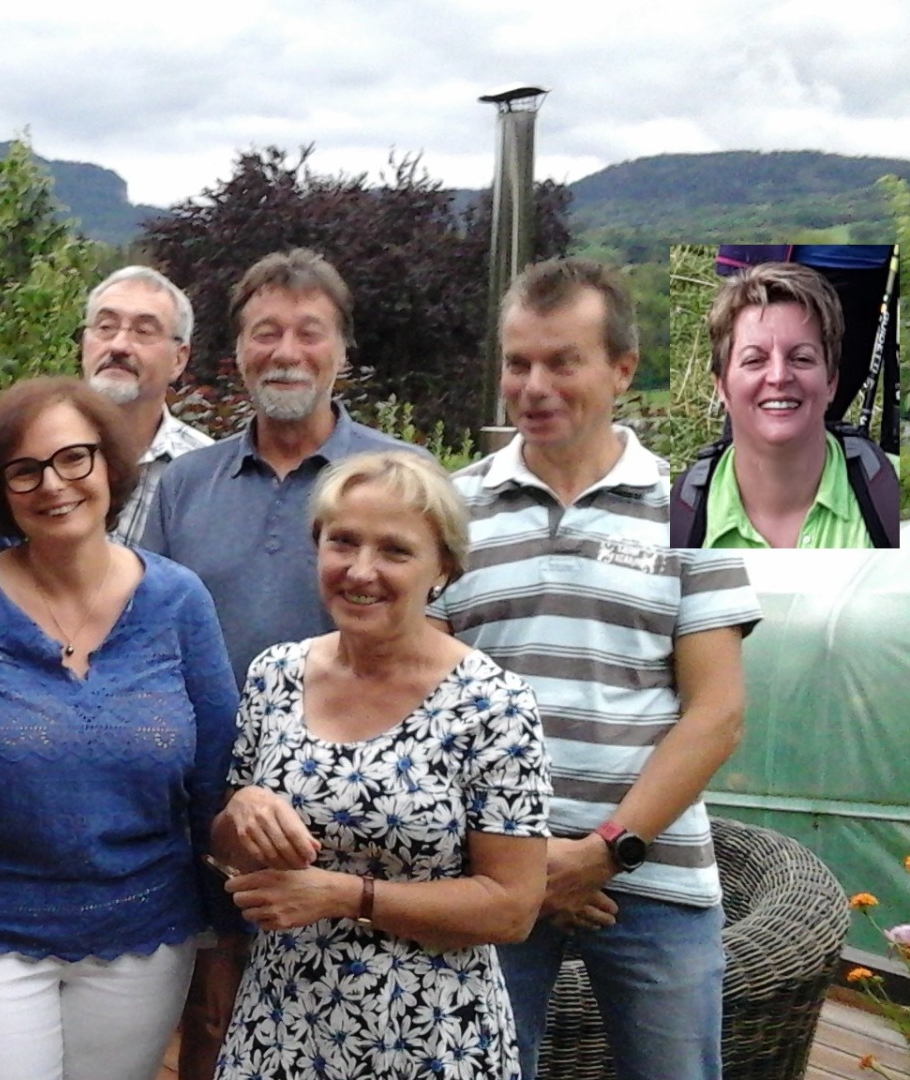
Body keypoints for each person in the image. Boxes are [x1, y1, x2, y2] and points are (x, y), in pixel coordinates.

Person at [430, 258, 761, 1080]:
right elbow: (423, 702)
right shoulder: (448, 511)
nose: (534, 385)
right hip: (487, 872)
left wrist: (604, 851)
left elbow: (716, 713)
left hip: (651, 876)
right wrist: (516, 859)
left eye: (562, 361)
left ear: (621, 369)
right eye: (518, 362)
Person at [0, 377, 237, 1080]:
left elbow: (214, 782)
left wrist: (227, 938)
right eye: (26, 469)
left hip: (143, 938)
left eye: (75, 457)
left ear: (110, 465)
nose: (54, 484)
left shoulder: (179, 601)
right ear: (1, 490)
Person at [137, 248, 427, 1078]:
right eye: (267, 333)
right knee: (209, 1027)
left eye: (310, 332)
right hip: (204, 814)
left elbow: (433, 649)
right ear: (237, 353)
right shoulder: (186, 483)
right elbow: (150, 643)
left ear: (342, 351)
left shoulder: (397, 476)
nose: (287, 351)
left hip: (351, 820)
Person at [210, 450, 550, 1079]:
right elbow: (232, 853)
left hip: (431, 1038)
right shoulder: (275, 674)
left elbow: (512, 906)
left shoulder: (492, 704)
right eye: (343, 542)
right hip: (282, 1028)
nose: (361, 571)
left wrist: (344, 895)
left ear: (442, 568)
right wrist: (241, 810)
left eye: (394, 551)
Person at [670, 259, 901, 548]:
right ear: (722, 387)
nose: (779, 376)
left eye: (801, 358)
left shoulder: (891, 496)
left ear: (831, 382)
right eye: (754, 360)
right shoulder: (678, 523)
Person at [78, 265, 214, 545]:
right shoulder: (36, 450)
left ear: (179, 359)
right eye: (105, 327)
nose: (119, 345)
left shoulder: (208, 472)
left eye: (143, 331)